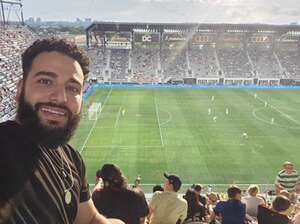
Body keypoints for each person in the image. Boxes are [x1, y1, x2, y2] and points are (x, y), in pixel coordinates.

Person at [0, 38, 123, 224]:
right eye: (45, 81)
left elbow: (89, 219)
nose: (60, 97)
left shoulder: (72, 158)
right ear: (19, 89)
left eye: (72, 87)